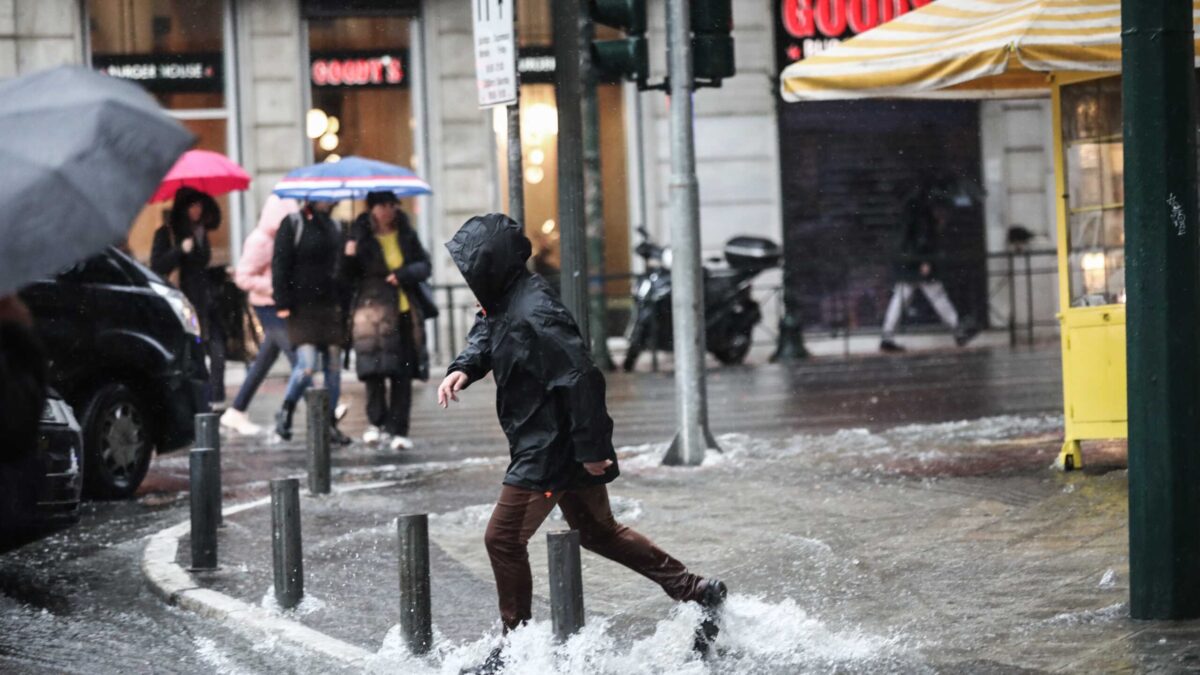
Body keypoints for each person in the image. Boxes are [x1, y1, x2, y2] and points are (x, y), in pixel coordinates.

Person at [438, 214, 727, 672]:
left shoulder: (536, 310)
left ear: (492, 266)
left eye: (472, 268)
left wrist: (593, 450)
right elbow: (487, 331)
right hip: (553, 440)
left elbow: (581, 377)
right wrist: (464, 367)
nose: (468, 278)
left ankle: (514, 652)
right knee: (598, 532)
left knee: (502, 539)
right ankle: (696, 589)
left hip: (549, 448)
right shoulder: (505, 300)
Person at [342, 191, 431, 451]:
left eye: (392, 205)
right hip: (371, 313)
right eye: (382, 205)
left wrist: (402, 274)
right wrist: (349, 253)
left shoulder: (405, 233)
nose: (388, 210)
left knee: (402, 373)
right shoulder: (359, 236)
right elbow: (346, 276)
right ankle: (376, 423)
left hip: (403, 311)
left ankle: (399, 428)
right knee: (375, 370)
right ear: (372, 209)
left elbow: (424, 265)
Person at [271, 200, 351, 445]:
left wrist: (350, 254)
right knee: (306, 365)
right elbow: (280, 263)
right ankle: (286, 410)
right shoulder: (293, 223)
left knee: (334, 370)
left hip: (330, 306)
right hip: (301, 306)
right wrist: (282, 301)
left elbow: (343, 271)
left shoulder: (337, 227)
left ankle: (329, 424)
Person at [219, 195, 301, 436]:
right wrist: (274, 286)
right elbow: (243, 277)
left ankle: (236, 410)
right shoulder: (260, 241)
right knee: (298, 358)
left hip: (277, 303)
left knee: (266, 359)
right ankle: (325, 411)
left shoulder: (281, 239)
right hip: (267, 305)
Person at [879, 179, 978, 352]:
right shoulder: (923, 213)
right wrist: (924, 260)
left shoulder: (909, 209)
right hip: (918, 262)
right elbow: (923, 239)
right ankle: (958, 331)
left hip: (908, 262)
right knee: (937, 296)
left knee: (901, 298)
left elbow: (908, 237)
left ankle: (887, 336)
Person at [151, 187, 227, 404]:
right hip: (184, 303)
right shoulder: (167, 233)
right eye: (192, 206)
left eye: (200, 206)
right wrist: (179, 250)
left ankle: (215, 400)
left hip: (206, 302)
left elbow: (200, 268)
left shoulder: (200, 233)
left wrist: (220, 273)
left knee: (217, 352)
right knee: (194, 357)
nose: (197, 210)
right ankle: (201, 403)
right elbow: (157, 265)